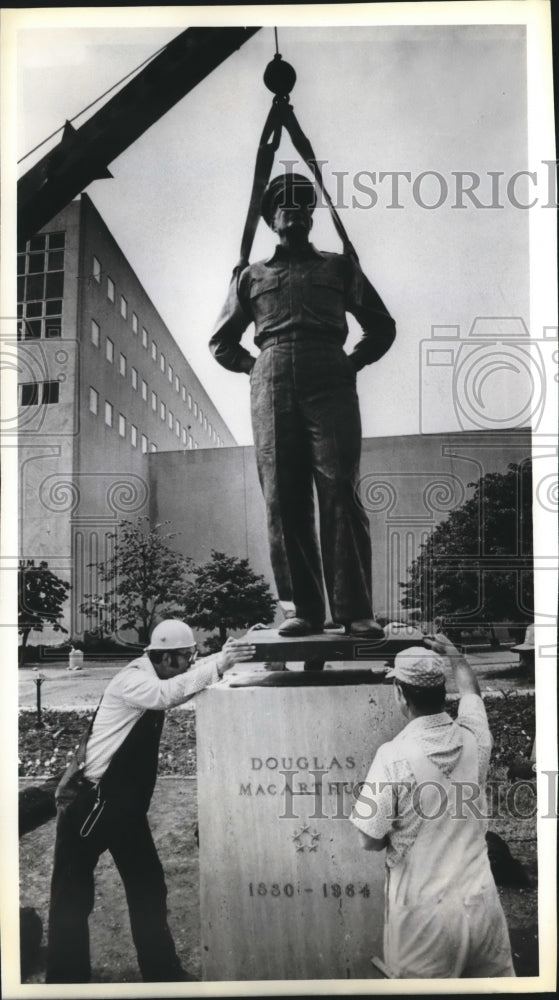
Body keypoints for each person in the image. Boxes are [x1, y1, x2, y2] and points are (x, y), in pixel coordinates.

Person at [210, 172, 396, 638]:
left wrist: (350, 363)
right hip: (271, 378)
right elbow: (220, 342)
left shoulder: (339, 267)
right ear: (270, 218)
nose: (291, 209)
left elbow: (381, 326)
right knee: (283, 498)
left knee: (340, 490)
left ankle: (355, 611)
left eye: (300, 202)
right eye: (281, 204)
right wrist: (256, 367)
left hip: (329, 373)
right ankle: (303, 610)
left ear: (312, 215)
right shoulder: (250, 276)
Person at [46, 620, 255, 983]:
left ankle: (162, 973)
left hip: (120, 807)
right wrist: (219, 662)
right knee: (72, 895)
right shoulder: (134, 680)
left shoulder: (157, 675)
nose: (192, 662)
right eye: (188, 657)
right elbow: (167, 695)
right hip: (89, 803)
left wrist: (225, 657)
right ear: (168, 658)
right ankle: (65, 982)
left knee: (148, 887)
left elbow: (180, 688)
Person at [350, 633, 515, 979]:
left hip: (423, 921)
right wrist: (455, 655)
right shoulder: (475, 738)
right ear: (442, 691)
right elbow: (471, 693)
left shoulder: (392, 756)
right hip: (481, 906)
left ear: (400, 694)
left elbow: (368, 839)